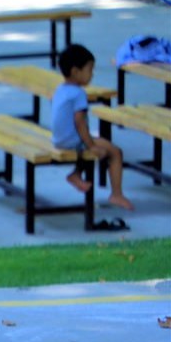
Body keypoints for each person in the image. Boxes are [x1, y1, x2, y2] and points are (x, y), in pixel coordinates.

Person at [51, 43, 134, 217]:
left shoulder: (60, 88)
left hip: (59, 139)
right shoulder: (78, 93)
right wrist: (91, 145)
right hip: (73, 140)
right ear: (75, 72)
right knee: (115, 152)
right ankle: (117, 194)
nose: (92, 74)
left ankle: (76, 174)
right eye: (90, 70)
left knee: (94, 146)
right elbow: (80, 122)